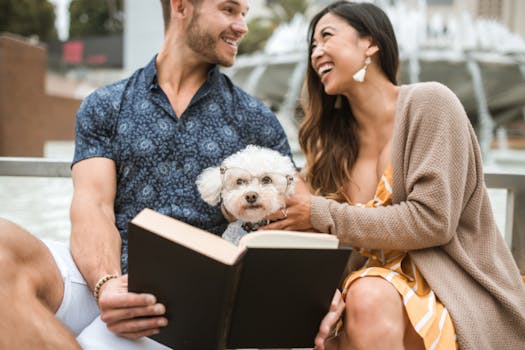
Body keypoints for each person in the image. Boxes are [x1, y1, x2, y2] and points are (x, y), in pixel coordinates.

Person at [0, 0, 293, 348]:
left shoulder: (255, 120)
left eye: (244, 13)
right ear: (181, 6)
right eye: (229, 10)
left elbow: (291, 218)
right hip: (98, 274)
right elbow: (92, 206)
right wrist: (107, 284)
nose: (242, 25)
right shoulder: (105, 103)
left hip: (184, 296)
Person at [263, 2, 525, 349]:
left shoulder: (430, 103)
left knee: (369, 296)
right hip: (361, 302)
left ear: (370, 43)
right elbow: (328, 245)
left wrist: (318, 212)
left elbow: (432, 220)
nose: (316, 53)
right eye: (311, 46)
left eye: (327, 36)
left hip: (450, 294)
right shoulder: (331, 148)